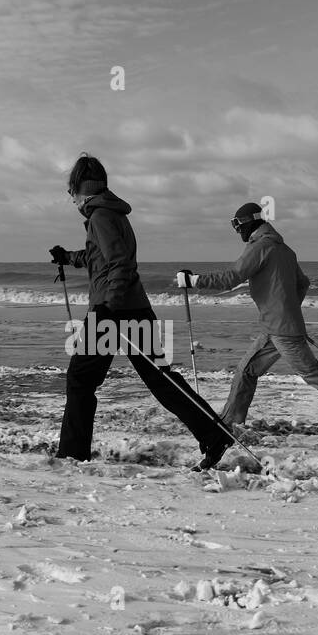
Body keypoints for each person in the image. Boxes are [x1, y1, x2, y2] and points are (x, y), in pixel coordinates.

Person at [50, 155, 232, 469]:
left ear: (81, 189)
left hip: (113, 309)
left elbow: (119, 263)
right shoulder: (110, 213)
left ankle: (72, 454)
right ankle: (214, 434)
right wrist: (69, 257)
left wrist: (108, 307)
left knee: (80, 379)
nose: (72, 199)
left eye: (71, 192)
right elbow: (101, 258)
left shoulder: (100, 217)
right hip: (133, 307)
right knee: (161, 379)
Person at [175, 202, 318, 440]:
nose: (237, 232)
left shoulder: (261, 247)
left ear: (247, 223)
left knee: (312, 373)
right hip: (275, 327)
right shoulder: (284, 249)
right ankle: (230, 423)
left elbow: (232, 277)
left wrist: (193, 281)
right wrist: (288, 309)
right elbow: (302, 283)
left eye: (237, 226)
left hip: (282, 330)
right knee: (247, 371)